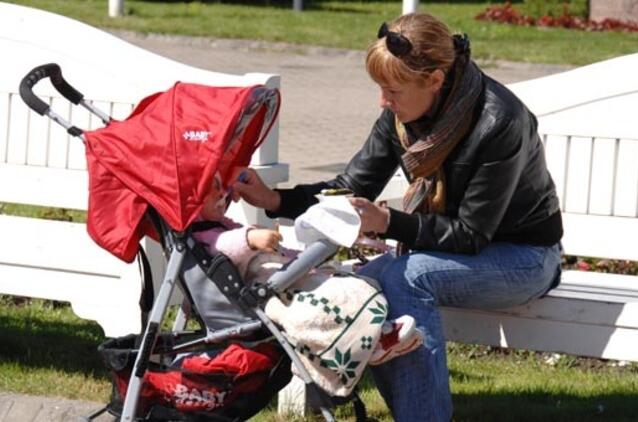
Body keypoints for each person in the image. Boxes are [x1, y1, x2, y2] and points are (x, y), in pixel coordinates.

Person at [231, 12, 563, 422]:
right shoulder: (403, 117)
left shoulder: (500, 122)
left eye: (393, 91)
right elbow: (352, 186)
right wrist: (276, 199)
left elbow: (472, 235)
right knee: (362, 281)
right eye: (381, 89)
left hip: (525, 258)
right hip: (457, 253)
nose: (383, 102)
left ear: (436, 80)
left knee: (408, 276)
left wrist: (387, 222)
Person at [193, 172, 424, 397]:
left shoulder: (221, 223)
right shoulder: (204, 234)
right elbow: (222, 245)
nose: (223, 195)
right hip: (265, 291)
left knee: (340, 287)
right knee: (317, 307)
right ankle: (374, 342)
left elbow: (273, 251)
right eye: (213, 189)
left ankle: (374, 334)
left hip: (279, 279)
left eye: (223, 188)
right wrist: (250, 238)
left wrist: (298, 259)